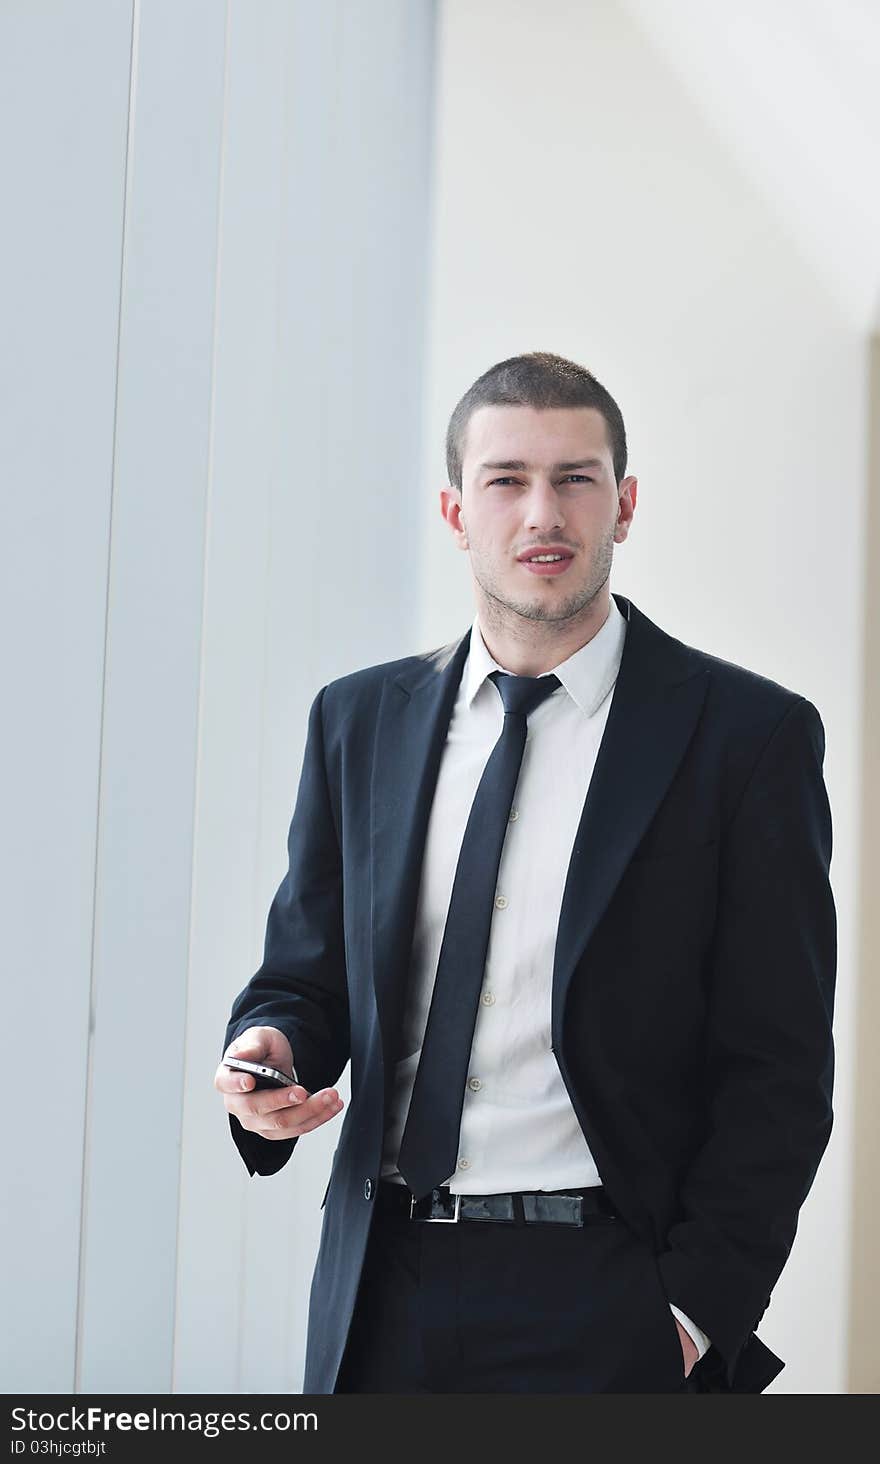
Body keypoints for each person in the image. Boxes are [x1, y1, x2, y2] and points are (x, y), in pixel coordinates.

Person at [214, 351, 836, 1394]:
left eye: (575, 478)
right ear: (456, 510)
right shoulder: (358, 722)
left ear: (624, 504)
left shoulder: (746, 737)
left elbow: (777, 1068)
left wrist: (689, 1314)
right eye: (506, 480)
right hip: (382, 1288)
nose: (541, 512)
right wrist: (269, 1043)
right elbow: (306, 973)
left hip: (610, 1291)